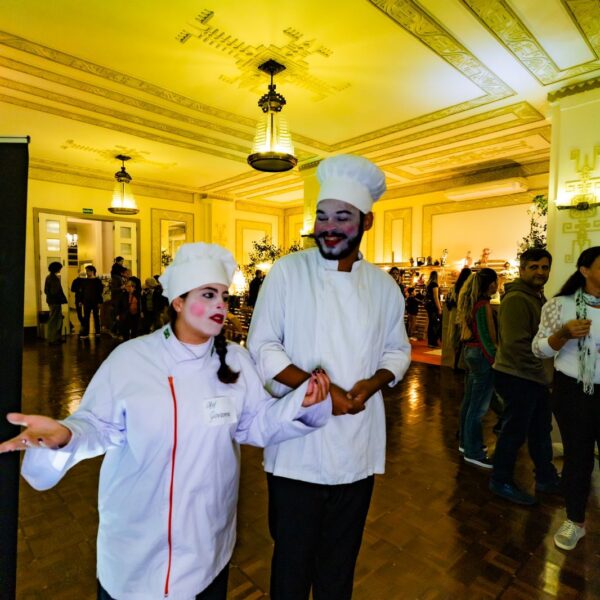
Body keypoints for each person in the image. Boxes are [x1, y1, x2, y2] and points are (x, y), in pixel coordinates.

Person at [0, 242, 331, 600]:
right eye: (208, 295)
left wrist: (300, 403)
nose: (221, 305)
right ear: (178, 302)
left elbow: (255, 423)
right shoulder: (131, 359)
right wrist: (66, 434)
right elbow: (99, 426)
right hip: (135, 549)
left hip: (207, 545)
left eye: (223, 296)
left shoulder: (236, 361)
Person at [248, 154, 411, 600]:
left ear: (367, 221)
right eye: (322, 216)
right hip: (295, 446)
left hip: (355, 446)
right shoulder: (288, 272)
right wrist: (323, 392)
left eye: (343, 217)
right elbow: (263, 347)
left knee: (340, 564)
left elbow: (397, 350)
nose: (329, 227)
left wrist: (371, 384)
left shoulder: (383, 287)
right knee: (291, 563)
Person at [532, 245, 600, 550]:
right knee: (578, 458)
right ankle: (575, 520)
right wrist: (563, 334)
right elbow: (539, 349)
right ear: (585, 271)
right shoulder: (561, 305)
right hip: (574, 391)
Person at [489, 248, 560, 505]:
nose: (540, 272)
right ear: (521, 270)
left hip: (532, 377)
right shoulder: (517, 299)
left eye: (544, 267)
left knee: (540, 429)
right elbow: (516, 346)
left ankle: (545, 477)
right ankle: (500, 480)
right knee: (514, 432)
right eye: (534, 267)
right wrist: (543, 375)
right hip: (518, 375)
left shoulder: (536, 297)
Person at [456, 268, 498, 468]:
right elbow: (485, 337)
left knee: (470, 401)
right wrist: (494, 359)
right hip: (481, 356)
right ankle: (473, 451)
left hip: (471, 353)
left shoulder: (472, 302)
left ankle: (466, 443)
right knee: (478, 406)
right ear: (491, 284)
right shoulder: (482, 305)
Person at [445, 267, 472, 370]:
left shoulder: (455, 287)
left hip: (453, 314)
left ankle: (454, 362)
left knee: (454, 337)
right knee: (463, 338)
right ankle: (459, 363)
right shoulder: (468, 288)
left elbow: (449, 302)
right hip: (462, 314)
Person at [44, 261, 68, 345]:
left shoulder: (48, 277)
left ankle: (55, 338)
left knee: (56, 319)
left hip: (51, 301)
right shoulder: (54, 278)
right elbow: (55, 291)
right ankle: (52, 339)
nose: (60, 269)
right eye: (60, 268)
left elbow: (46, 291)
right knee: (55, 320)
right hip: (55, 301)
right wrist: (61, 298)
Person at [79, 265, 104, 338]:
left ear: (92, 271)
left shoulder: (97, 281)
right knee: (86, 317)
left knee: (96, 316)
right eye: (86, 271)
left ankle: (97, 331)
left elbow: (100, 292)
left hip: (95, 301)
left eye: (88, 271)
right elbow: (82, 292)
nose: (87, 272)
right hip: (86, 301)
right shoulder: (84, 281)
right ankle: (86, 332)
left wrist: (99, 302)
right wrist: (81, 301)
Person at [425, 270, 442, 347]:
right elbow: (436, 297)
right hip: (433, 306)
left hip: (429, 306)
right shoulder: (434, 284)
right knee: (435, 324)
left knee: (432, 323)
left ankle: (431, 342)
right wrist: (439, 308)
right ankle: (433, 342)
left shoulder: (428, 284)